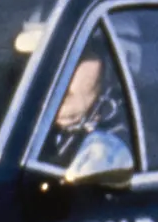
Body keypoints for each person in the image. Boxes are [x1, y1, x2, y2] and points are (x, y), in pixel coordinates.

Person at [42, 27, 130, 166]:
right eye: (49, 59)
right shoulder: (18, 133)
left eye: (77, 57)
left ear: (112, 65)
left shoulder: (117, 146)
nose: (59, 71)